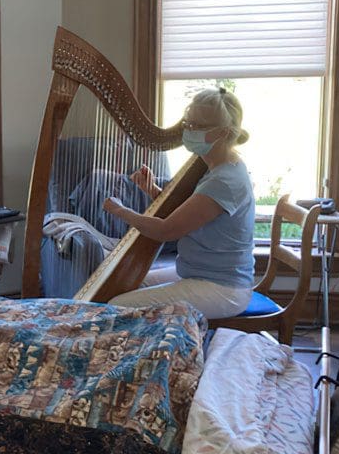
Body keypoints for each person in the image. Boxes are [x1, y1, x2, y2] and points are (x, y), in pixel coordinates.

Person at [102, 88, 254, 320]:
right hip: (197, 273)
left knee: (116, 306)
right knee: (128, 282)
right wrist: (151, 190)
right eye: (187, 123)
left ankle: (161, 352)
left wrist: (119, 210)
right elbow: (192, 214)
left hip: (221, 289)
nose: (187, 131)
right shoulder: (220, 165)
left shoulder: (224, 180)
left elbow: (167, 230)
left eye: (197, 126)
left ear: (222, 133)